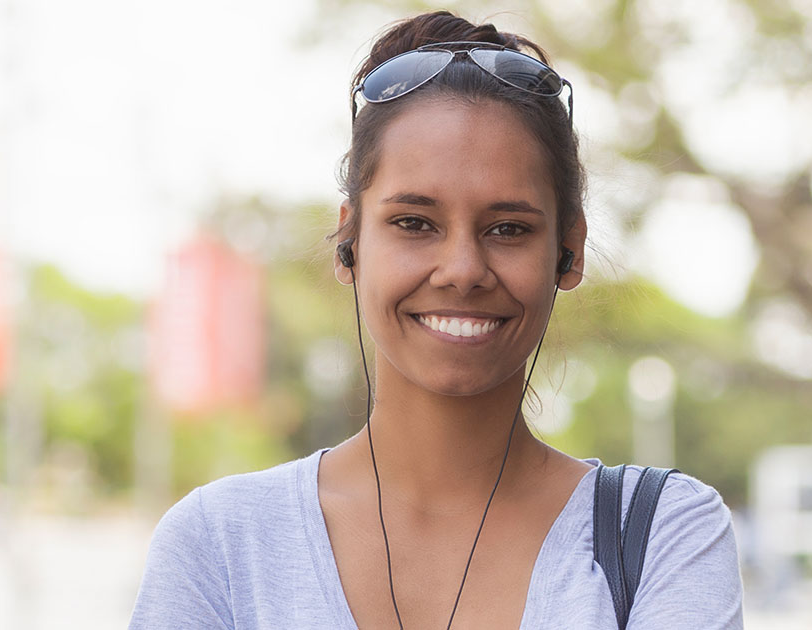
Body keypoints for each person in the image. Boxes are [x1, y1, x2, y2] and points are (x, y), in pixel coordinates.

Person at [129, 11, 743, 629]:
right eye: (415, 223)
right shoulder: (221, 545)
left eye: (508, 229)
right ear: (351, 241)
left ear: (569, 249)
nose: (462, 270)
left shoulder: (662, 534)